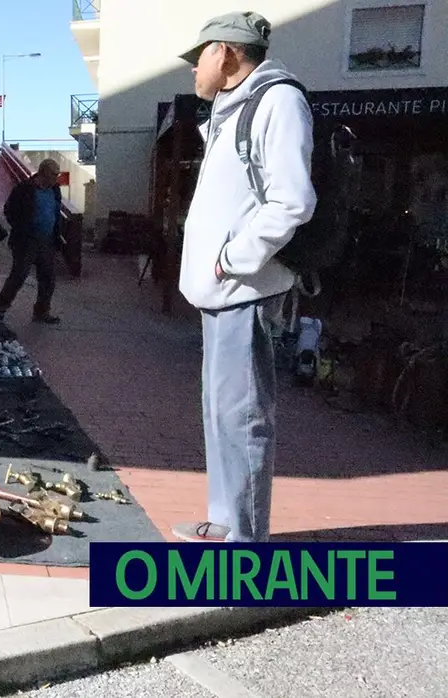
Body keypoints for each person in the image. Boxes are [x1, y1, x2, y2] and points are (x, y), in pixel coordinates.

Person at [171, 12, 316, 543]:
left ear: (228, 53)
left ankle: (245, 539)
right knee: (220, 413)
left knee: (243, 414)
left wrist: (233, 258)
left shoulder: (276, 100)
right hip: (223, 292)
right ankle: (225, 517)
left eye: (199, 56)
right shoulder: (238, 108)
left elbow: (292, 201)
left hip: (244, 289)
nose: (192, 70)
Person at [0, 158, 63, 324]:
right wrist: (21, 227)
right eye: (53, 174)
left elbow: (56, 210)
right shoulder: (24, 189)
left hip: (47, 239)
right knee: (19, 274)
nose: (56, 178)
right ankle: (2, 306)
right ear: (43, 173)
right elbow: (9, 210)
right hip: (27, 240)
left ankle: (42, 311)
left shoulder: (54, 190)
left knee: (48, 277)